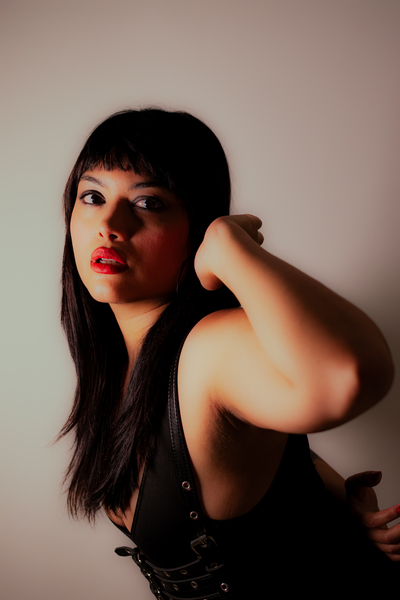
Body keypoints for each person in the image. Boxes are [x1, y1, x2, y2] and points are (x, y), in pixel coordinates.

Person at [59, 108, 398, 598]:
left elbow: (350, 374)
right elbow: (251, 451)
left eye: (149, 203)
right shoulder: (122, 368)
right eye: (92, 197)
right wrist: (338, 508)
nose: (109, 224)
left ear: (196, 227)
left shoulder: (209, 348)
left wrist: (228, 248)